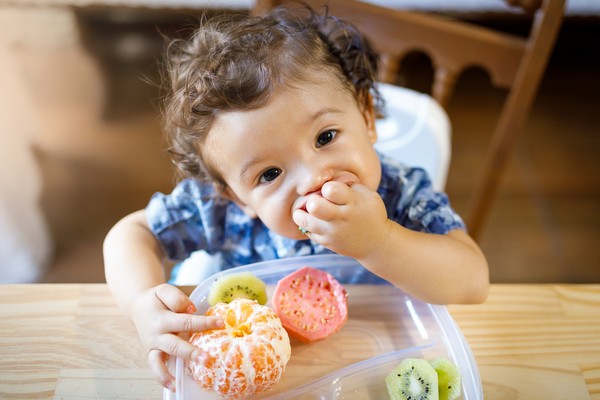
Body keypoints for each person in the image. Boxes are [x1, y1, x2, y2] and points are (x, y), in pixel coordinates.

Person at [103, 4, 489, 392]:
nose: (313, 179)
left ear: (367, 117)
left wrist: (380, 240)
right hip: (269, 371)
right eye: (269, 174)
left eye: (325, 137)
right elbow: (132, 233)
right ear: (235, 196)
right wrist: (141, 303)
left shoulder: (402, 194)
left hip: (374, 357)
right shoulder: (225, 212)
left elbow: (473, 280)